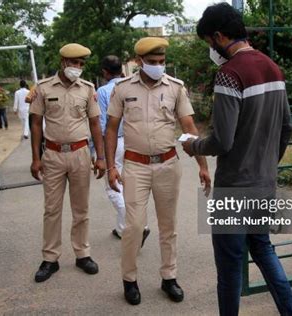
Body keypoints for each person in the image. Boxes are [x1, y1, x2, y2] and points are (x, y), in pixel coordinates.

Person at [181, 4, 292, 315]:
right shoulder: (273, 67)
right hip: (263, 184)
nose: (211, 49)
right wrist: (268, 166)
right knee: (263, 249)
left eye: (209, 42)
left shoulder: (229, 74)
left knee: (230, 268)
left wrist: (194, 146)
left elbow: (222, 140)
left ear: (218, 36)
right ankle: (291, 312)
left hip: (233, 188)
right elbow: (287, 127)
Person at [105, 37, 211, 305]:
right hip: (135, 165)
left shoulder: (176, 88)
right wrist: (109, 167)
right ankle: (129, 280)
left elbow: (189, 129)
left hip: (167, 164)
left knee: (168, 226)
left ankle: (169, 277)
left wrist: (202, 165)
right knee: (134, 227)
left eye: (162, 62)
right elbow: (110, 129)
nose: (158, 66)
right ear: (139, 61)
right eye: (152, 62)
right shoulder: (122, 89)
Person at [29, 43, 106, 283]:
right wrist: (35, 158)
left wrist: (101, 157)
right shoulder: (43, 88)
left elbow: (95, 125)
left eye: (82, 64)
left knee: (81, 209)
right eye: (74, 63)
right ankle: (50, 258)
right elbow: (35, 123)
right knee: (51, 209)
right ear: (63, 62)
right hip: (52, 155)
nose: (78, 68)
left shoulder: (87, 89)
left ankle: (82, 254)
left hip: (80, 154)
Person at [97, 55, 150, 243]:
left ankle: (139, 224)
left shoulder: (103, 91)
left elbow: (104, 124)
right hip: (136, 141)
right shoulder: (132, 86)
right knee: (131, 185)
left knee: (113, 186)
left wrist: (100, 155)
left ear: (104, 72)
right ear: (121, 69)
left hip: (116, 142)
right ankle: (121, 229)